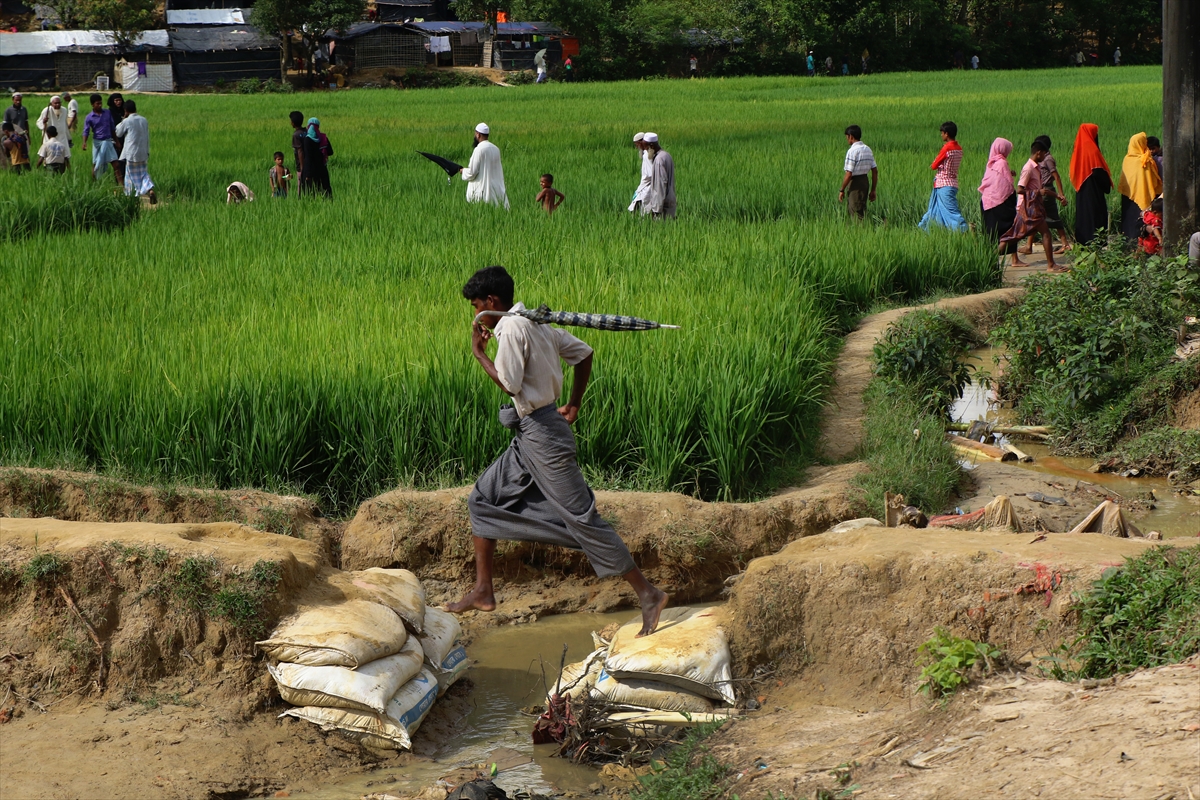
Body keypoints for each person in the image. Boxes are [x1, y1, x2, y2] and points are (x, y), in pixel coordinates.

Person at [450, 265, 669, 637]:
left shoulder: (514, 327)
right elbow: (584, 354)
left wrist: (479, 353)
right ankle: (484, 591)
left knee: (583, 518)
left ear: (490, 302)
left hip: (544, 438)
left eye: (475, 306)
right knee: (482, 498)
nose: (475, 315)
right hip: (533, 431)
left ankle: (648, 594)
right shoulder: (535, 321)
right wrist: (574, 404)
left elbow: (509, 384)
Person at [999, 140, 1060, 271]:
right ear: (1038, 153)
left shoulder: (1035, 168)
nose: (1045, 157)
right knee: (1044, 233)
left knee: (1015, 236)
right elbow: (1020, 189)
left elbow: (1041, 189)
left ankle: (989, 258)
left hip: (1032, 206)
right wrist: (1037, 192)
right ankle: (1051, 265)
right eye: (1044, 154)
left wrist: (1058, 196)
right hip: (1028, 207)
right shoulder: (1029, 168)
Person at [1021, 134, 1072, 255]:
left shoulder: (1047, 159)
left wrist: (1061, 194)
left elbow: (1056, 176)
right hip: (1041, 190)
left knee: (1042, 217)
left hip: (1045, 191)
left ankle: (1065, 244)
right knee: (1039, 217)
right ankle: (1029, 245)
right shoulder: (1040, 159)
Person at [918, 121, 968, 232]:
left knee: (951, 212)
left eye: (942, 133)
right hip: (952, 183)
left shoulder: (947, 148)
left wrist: (934, 164)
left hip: (943, 185)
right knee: (933, 210)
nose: (941, 135)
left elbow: (934, 165)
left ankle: (964, 230)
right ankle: (924, 229)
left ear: (946, 134)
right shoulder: (959, 148)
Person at [1069, 123, 1112, 245]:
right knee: (1095, 217)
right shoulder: (1092, 150)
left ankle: (1083, 243)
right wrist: (1106, 185)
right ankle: (1096, 245)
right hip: (1093, 192)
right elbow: (1098, 170)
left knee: (1084, 217)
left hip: (1082, 191)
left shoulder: (1078, 150)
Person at [979, 138, 1019, 264]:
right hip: (1001, 203)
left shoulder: (992, 162)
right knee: (1010, 231)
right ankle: (996, 258)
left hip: (987, 202)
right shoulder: (1002, 163)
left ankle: (994, 259)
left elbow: (996, 180)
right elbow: (1006, 185)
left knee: (991, 233)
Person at [1117, 132, 1162, 244]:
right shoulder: (1145, 160)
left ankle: (1127, 244)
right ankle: (1142, 248)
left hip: (1129, 196)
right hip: (1143, 196)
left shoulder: (1127, 159)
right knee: (1142, 222)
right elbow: (1152, 181)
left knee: (1129, 221)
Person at [114, 99, 156, 204]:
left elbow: (118, 133)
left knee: (130, 176)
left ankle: (131, 197)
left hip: (131, 153)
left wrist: (123, 118)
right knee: (143, 174)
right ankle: (150, 190)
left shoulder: (127, 121)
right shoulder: (144, 120)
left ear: (126, 110)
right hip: (143, 152)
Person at [460, 122, 508, 209]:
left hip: (482, 193)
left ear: (478, 134)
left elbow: (472, 172)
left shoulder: (479, 150)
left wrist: (463, 171)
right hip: (496, 192)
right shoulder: (496, 149)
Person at [839, 125, 877, 221]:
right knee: (861, 209)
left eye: (847, 137)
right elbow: (875, 171)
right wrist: (873, 190)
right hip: (865, 181)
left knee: (855, 212)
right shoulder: (868, 149)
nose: (847, 139)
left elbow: (849, 174)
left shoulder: (852, 151)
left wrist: (842, 190)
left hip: (855, 183)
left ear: (851, 136)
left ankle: (860, 232)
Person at [81, 93, 117, 180]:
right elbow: (86, 131)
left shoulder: (107, 113)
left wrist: (117, 141)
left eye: (101, 103)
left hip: (108, 141)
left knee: (116, 164)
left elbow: (112, 128)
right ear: (92, 104)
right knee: (96, 163)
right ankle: (94, 182)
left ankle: (120, 184)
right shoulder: (89, 117)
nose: (100, 105)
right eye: (97, 103)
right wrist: (84, 142)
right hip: (97, 142)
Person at [644, 132, 676, 219]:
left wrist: (657, 210)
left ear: (651, 145)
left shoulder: (658, 160)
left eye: (646, 147)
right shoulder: (666, 155)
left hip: (662, 206)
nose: (646, 150)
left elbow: (660, 185)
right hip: (670, 200)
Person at [299, 117, 333, 199]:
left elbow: (308, 158)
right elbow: (330, 152)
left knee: (310, 192)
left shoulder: (307, 139)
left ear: (308, 126)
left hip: (311, 169)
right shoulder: (323, 138)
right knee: (325, 190)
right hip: (322, 168)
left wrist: (307, 174)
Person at [628, 132, 653, 213]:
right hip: (645, 185)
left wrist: (643, 185)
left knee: (643, 207)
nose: (636, 147)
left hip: (648, 186)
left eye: (637, 144)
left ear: (641, 142)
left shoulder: (647, 155)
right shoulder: (647, 153)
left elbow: (650, 173)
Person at [107, 93, 126, 186]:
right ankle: (118, 182)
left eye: (120, 100)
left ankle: (125, 181)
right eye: (116, 101)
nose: (118, 102)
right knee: (117, 162)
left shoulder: (124, 111)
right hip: (115, 139)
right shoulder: (109, 112)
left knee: (124, 162)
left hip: (125, 139)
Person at [289, 110, 306, 178]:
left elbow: (300, 151)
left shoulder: (296, 135)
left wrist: (302, 168)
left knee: (302, 186)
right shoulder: (306, 131)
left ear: (293, 123)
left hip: (301, 165)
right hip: (310, 163)